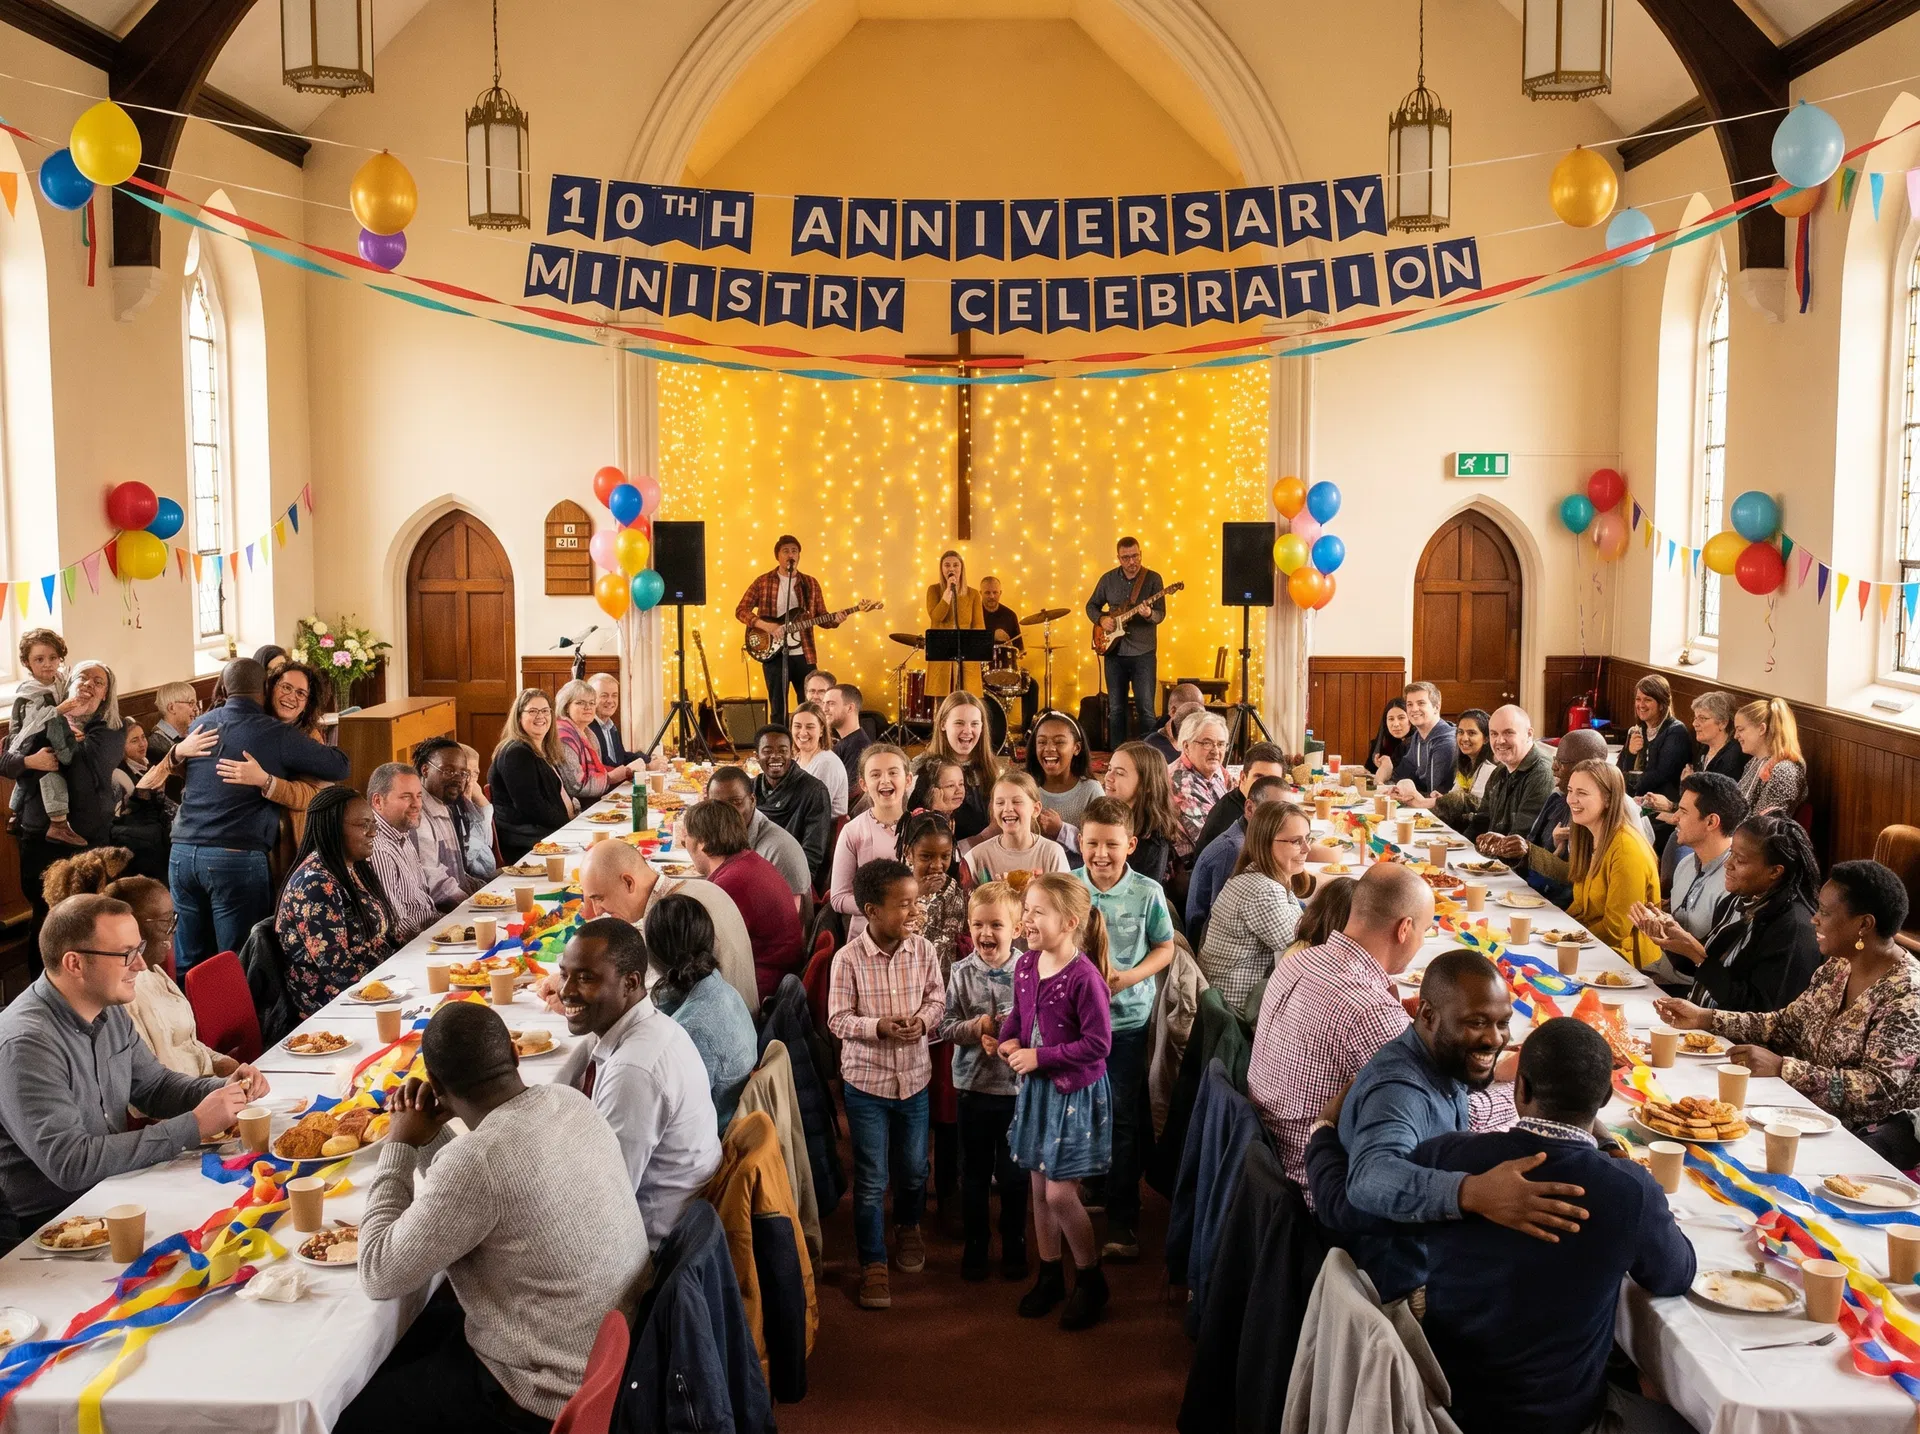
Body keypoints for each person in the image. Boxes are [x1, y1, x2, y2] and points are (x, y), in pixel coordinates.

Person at [346, 1002, 649, 1434]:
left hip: (543, 1394)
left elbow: (378, 1273)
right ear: (514, 1053)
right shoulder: (569, 1100)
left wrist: (399, 1146)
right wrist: (429, 1136)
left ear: (436, 1085)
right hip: (620, 1357)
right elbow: (477, 1188)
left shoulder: (479, 1162)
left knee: (353, 1408)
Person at [1406, 1019, 1695, 1434]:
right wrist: (1621, 1164)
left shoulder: (1446, 1156)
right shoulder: (1627, 1192)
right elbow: (1675, 1275)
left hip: (1442, 1402)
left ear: (1520, 1088)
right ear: (1606, 1098)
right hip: (1558, 1419)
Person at [1306, 953, 1594, 1306]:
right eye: (1477, 1022)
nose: (1495, 1039)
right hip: (1400, 1296)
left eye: (1503, 1023)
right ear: (1428, 1015)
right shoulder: (1400, 1092)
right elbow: (1370, 1178)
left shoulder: (1437, 1060)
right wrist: (1473, 1193)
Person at [0, 894, 257, 1249]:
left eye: (139, 949)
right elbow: (72, 1164)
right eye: (125, 954)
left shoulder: (107, 1007)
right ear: (75, 963)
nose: (140, 965)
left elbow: (154, 1087)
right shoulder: (25, 1044)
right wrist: (194, 1125)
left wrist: (222, 1089)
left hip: (116, 1191)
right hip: (52, 1227)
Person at [1654, 861, 1920, 1132]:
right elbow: (1785, 1025)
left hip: (1866, 1139)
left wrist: (1784, 1068)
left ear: (1864, 924)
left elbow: (1876, 1091)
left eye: (1825, 912)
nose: (1814, 919)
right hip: (1805, 1114)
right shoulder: (1839, 966)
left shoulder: (1907, 995)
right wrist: (1706, 1018)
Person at [1247, 863, 1435, 1190]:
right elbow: (1437, 1113)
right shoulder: (1371, 1010)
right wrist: (1510, 1079)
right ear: (1404, 929)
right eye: (1425, 931)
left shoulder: (1299, 960)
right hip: (1316, 1185)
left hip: (1266, 1161)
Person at [555, 918, 720, 1246]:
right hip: (666, 1218)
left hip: (650, 1247)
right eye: (564, 974)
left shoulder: (634, 1072)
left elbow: (603, 1205)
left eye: (586, 978)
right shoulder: (646, 1026)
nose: (566, 991)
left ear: (630, 983)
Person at [828, 858, 946, 1311]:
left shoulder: (924, 950)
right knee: (872, 1177)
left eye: (916, 902)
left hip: (914, 1080)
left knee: (914, 1168)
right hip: (867, 1086)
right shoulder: (847, 959)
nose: (914, 911)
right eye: (904, 904)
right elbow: (838, 1019)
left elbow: (937, 999)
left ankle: (908, 1226)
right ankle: (872, 1260)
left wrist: (923, 1021)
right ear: (872, 911)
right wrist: (877, 1027)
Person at [1000, 872, 1115, 1330]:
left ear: (1069, 923)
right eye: (1025, 909)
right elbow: (1019, 1014)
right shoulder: (1027, 964)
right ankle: (1049, 1274)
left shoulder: (1085, 978)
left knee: (1060, 1193)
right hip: (1039, 1092)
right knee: (1037, 1188)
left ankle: (1090, 1277)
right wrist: (1008, 1040)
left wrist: (1039, 1056)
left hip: (1074, 1096)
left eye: (1037, 912)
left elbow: (1098, 1045)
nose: (1026, 919)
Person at [42, 852, 264, 1083]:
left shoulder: (154, 972)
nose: (173, 929)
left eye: (173, 919)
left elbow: (189, 1046)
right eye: (165, 921)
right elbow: (152, 1088)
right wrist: (215, 1089)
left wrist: (225, 1067)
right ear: (131, 925)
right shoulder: (119, 996)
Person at [1074, 797, 1175, 1263]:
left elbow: (1165, 948)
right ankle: (1095, 1181)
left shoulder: (1147, 892)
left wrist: (1129, 977)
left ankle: (1123, 1214)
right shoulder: (1068, 888)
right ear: (1080, 842)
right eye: (1092, 843)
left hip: (1126, 1021)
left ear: (1130, 845)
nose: (1101, 854)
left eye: (1111, 845)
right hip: (1075, 1023)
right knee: (1084, 1106)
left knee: (1121, 1116)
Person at [1632, 812, 1821, 1009]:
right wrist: (1671, 938)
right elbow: (1703, 971)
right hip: (1699, 1014)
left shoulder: (1793, 928)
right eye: (1731, 853)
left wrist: (1698, 956)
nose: (1727, 865)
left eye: (1740, 860)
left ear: (1775, 871)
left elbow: (1759, 1011)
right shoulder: (1737, 901)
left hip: (1723, 1026)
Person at [937, 881, 1027, 1281]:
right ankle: (976, 1241)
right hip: (972, 1089)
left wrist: (1012, 1037)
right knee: (972, 1173)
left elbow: (1040, 1028)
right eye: (978, 924)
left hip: (1015, 1091)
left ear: (1017, 928)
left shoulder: (1029, 972)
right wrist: (979, 1028)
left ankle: (1014, 1240)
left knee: (1013, 1174)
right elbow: (945, 1026)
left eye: (996, 925)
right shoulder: (960, 972)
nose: (985, 933)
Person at [569, 837, 758, 1015]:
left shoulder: (671, 919)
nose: (597, 911)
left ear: (628, 882)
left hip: (717, 1027)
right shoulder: (698, 889)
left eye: (599, 898)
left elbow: (649, 1003)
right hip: (739, 1017)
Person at [13, 659, 127, 918]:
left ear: (105, 695)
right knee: (44, 914)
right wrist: (31, 760)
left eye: (98, 682)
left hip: (88, 838)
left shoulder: (112, 729)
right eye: (82, 678)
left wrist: (58, 735)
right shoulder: (44, 716)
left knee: (86, 915)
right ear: (69, 685)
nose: (88, 685)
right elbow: (9, 759)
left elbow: (80, 777)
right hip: (40, 836)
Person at [276, 785, 397, 1018]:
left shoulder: (353, 867)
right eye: (363, 825)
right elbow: (338, 972)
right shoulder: (315, 885)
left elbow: (383, 935)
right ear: (332, 828)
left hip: (374, 984)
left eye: (374, 824)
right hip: (335, 1006)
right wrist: (396, 985)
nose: (373, 832)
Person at [643, 894, 759, 1131]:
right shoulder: (716, 984)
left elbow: (667, 1114)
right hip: (729, 1115)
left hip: (716, 1135)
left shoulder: (692, 1030)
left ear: (652, 955)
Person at [683, 798, 802, 1005]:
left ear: (701, 843)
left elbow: (701, 950)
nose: (683, 844)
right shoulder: (748, 861)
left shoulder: (731, 883)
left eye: (686, 837)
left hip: (761, 990)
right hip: (778, 973)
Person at [1197, 801, 1311, 1015]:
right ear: (1266, 843)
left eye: (1308, 838)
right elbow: (1300, 950)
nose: (1307, 848)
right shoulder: (1262, 890)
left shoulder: (1262, 876)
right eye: (1296, 841)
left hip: (1230, 998)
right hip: (1236, 1009)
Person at [1482, 727, 1610, 910]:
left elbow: (1580, 879)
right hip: (1534, 891)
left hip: (1563, 906)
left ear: (1590, 766)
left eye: (1562, 762)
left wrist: (1529, 852)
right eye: (1554, 759)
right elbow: (1532, 848)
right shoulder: (1557, 797)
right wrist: (1509, 848)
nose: (1553, 767)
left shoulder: (1600, 812)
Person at [1564, 759, 1662, 970]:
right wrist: (1555, 932)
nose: (1571, 799)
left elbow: (1616, 929)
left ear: (1608, 799)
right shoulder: (1589, 837)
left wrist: (1565, 941)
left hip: (1624, 960)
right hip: (1592, 946)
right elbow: (1581, 907)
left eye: (1582, 793)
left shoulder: (1626, 849)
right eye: (1570, 791)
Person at [736, 534, 839, 725]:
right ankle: (780, 741)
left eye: (794, 551)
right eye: (786, 551)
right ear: (778, 556)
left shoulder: (810, 583)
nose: (791, 554)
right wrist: (766, 626)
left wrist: (836, 620)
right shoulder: (763, 582)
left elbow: (822, 617)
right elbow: (741, 610)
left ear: (799, 555)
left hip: (804, 653)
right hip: (774, 654)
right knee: (778, 708)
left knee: (810, 705)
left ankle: (808, 740)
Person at [365, 762, 464, 945]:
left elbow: (423, 904)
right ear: (378, 801)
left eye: (419, 796)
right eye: (406, 797)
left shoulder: (402, 833)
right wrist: (446, 938)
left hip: (432, 929)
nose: (417, 804)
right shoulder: (378, 849)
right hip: (418, 945)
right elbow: (397, 926)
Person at [1187, 775, 1290, 944]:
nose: (1286, 821)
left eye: (1289, 811)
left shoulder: (1248, 836)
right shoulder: (1233, 851)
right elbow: (1222, 922)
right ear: (1249, 809)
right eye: (1274, 812)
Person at [1086, 537, 1166, 746]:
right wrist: (1101, 620)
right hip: (1114, 652)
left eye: (1135, 556)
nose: (1132, 561)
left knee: (1146, 709)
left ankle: (1148, 755)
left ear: (1141, 554)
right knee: (1116, 709)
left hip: (1143, 653)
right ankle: (1117, 754)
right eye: (1126, 557)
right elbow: (1091, 606)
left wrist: (1149, 614)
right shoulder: (1108, 579)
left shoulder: (1153, 579)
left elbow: (1161, 614)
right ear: (1119, 558)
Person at [831, 743, 911, 940]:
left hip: (914, 931)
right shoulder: (853, 832)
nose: (885, 780)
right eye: (875, 774)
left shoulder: (922, 828)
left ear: (908, 780)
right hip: (866, 936)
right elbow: (838, 898)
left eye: (893, 773)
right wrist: (882, 908)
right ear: (864, 784)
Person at [1654, 772, 1744, 943]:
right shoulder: (1684, 865)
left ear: (1711, 822)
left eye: (1683, 811)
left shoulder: (1735, 882)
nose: (1675, 818)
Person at [486, 689, 572, 864]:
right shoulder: (515, 753)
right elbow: (532, 807)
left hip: (545, 832)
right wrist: (568, 825)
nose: (540, 716)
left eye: (545, 711)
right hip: (525, 842)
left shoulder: (541, 749)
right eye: (533, 711)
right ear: (519, 717)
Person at [704, 765, 811, 902]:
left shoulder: (779, 851)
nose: (726, 813)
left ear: (753, 800)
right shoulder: (721, 835)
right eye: (718, 805)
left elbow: (793, 912)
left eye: (736, 803)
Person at [9, 627, 76, 845]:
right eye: (39, 659)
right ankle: (58, 824)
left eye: (53, 658)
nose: (47, 664)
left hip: (56, 736)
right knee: (50, 774)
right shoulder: (29, 691)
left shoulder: (60, 682)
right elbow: (32, 724)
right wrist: (58, 711)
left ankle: (16, 812)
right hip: (33, 741)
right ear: (27, 663)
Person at [412, 736, 496, 895]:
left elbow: (458, 875)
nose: (458, 779)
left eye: (463, 773)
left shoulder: (445, 806)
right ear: (425, 770)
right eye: (449, 771)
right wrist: (475, 901)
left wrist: (486, 888)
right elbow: (435, 886)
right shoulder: (418, 816)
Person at [752, 725, 834, 884]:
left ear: (792, 754)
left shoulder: (814, 791)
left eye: (783, 751)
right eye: (767, 751)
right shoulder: (749, 789)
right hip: (753, 873)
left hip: (793, 879)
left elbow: (812, 854)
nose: (775, 756)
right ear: (757, 756)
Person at [1464, 704, 1557, 843]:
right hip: (1495, 852)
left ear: (1529, 734)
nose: (1500, 741)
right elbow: (1481, 821)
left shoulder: (1542, 773)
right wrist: (1461, 846)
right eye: (1494, 734)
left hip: (1515, 855)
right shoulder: (1500, 771)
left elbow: (1520, 839)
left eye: (1508, 732)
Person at [1189, 741, 1289, 865]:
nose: (1264, 786)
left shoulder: (1259, 809)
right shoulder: (1231, 819)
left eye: (1272, 780)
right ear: (1242, 777)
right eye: (1258, 777)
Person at [1098, 741, 1181, 884]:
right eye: (1109, 769)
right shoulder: (1106, 816)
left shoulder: (1153, 844)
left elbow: (1141, 892)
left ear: (1147, 784)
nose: (1108, 777)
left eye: (1119, 773)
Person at [967, 771, 1069, 884]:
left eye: (1017, 802)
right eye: (1000, 803)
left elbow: (1065, 895)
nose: (1007, 809)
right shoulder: (977, 856)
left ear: (1036, 809)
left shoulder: (1052, 853)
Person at [926, 691, 1001, 843]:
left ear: (982, 727)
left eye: (974, 724)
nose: (967, 731)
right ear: (943, 724)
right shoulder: (922, 768)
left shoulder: (992, 770)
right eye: (959, 723)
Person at [902, 809, 969, 977]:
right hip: (903, 974)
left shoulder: (953, 890)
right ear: (908, 853)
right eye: (926, 857)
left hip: (941, 976)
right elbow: (893, 936)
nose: (937, 865)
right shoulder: (895, 887)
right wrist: (918, 895)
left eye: (945, 856)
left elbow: (950, 943)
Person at [109, 720, 175, 882]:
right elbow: (126, 815)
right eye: (134, 740)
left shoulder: (148, 763)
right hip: (139, 838)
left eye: (143, 737)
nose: (142, 744)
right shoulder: (119, 775)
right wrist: (144, 793)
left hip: (156, 827)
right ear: (121, 747)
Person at [554, 679, 633, 808]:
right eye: (580, 703)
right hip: (575, 809)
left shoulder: (588, 733)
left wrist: (625, 772)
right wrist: (611, 777)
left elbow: (599, 769)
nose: (588, 707)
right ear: (566, 707)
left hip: (592, 802)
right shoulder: (564, 737)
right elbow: (576, 786)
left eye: (591, 703)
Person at [1618, 674, 1691, 811]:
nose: (1641, 705)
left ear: (1662, 704)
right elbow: (1620, 769)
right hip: (1637, 800)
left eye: (1648, 700)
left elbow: (1660, 776)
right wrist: (1630, 753)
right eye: (1638, 699)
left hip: (1662, 806)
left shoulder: (1676, 732)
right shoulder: (1637, 730)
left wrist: (1626, 781)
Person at [1025, 711, 1103, 835]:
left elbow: (1102, 839)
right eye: (1042, 742)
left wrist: (1061, 830)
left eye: (1059, 742)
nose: (1049, 748)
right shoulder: (1025, 788)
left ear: (1076, 748)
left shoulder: (1091, 790)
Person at [1167, 710, 1231, 859]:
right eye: (1207, 743)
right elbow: (1212, 841)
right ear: (1186, 746)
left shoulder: (1213, 772)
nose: (1216, 751)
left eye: (1221, 744)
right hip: (1194, 865)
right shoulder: (1180, 782)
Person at [1419, 709, 1496, 828]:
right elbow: (1455, 798)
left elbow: (1474, 806)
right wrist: (1442, 798)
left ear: (1486, 738)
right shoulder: (1465, 766)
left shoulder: (1489, 769)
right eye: (1460, 732)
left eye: (1471, 733)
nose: (1464, 738)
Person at [926, 549, 986, 699]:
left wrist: (972, 647)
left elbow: (979, 626)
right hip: (942, 658)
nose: (951, 569)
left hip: (967, 659)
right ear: (941, 569)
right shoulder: (933, 590)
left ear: (961, 568)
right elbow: (936, 617)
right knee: (943, 703)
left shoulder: (973, 594)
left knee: (967, 701)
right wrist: (947, 593)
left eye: (955, 565)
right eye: (947, 565)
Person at [1734, 696, 1808, 816]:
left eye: (1740, 729)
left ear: (1761, 729)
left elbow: (1765, 823)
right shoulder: (1754, 761)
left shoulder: (1784, 771)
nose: (1735, 736)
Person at [1383, 681, 1458, 798]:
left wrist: (1402, 792)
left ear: (1436, 707)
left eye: (1421, 703)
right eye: (1409, 704)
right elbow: (1402, 774)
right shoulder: (1418, 736)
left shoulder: (1445, 742)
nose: (1414, 709)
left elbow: (1435, 794)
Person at [789, 701, 849, 816]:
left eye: (810, 727)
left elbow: (813, 810)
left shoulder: (827, 763)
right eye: (797, 726)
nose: (803, 733)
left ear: (821, 730)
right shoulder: (796, 759)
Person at [821, 682, 871, 790]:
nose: (824, 709)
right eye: (823, 703)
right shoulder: (847, 743)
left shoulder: (859, 747)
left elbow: (849, 792)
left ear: (850, 708)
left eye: (831, 703)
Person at [584, 672, 635, 770]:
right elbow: (598, 766)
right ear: (590, 699)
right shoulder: (586, 728)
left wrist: (648, 760)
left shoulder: (611, 726)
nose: (610, 701)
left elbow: (621, 757)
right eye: (604, 696)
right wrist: (629, 770)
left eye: (614, 695)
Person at [1145, 684, 1205, 764]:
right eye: (1191, 710)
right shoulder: (1153, 747)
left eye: (1201, 711)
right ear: (1173, 711)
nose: (1198, 718)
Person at [147, 679, 200, 767]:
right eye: (191, 703)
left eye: (195, 703)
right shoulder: (156, 743)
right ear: (171, 708)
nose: (196, 709)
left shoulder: (190, 732)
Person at [1366, 698, 1411, 775]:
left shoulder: (1417, 744)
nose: (1396, 724)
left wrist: (1386, 770)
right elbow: (1369, 772)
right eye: (1391, 719)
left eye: (1401, 718)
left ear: (1410, 720)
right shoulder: (1382, 743)